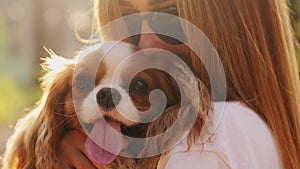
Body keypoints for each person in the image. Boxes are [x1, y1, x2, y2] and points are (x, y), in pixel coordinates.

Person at [58, 0, 300, 168]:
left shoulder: (203, 138)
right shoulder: (254, 128)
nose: (146, 43)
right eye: (127, 19)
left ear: (231, 22)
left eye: (169, 17)